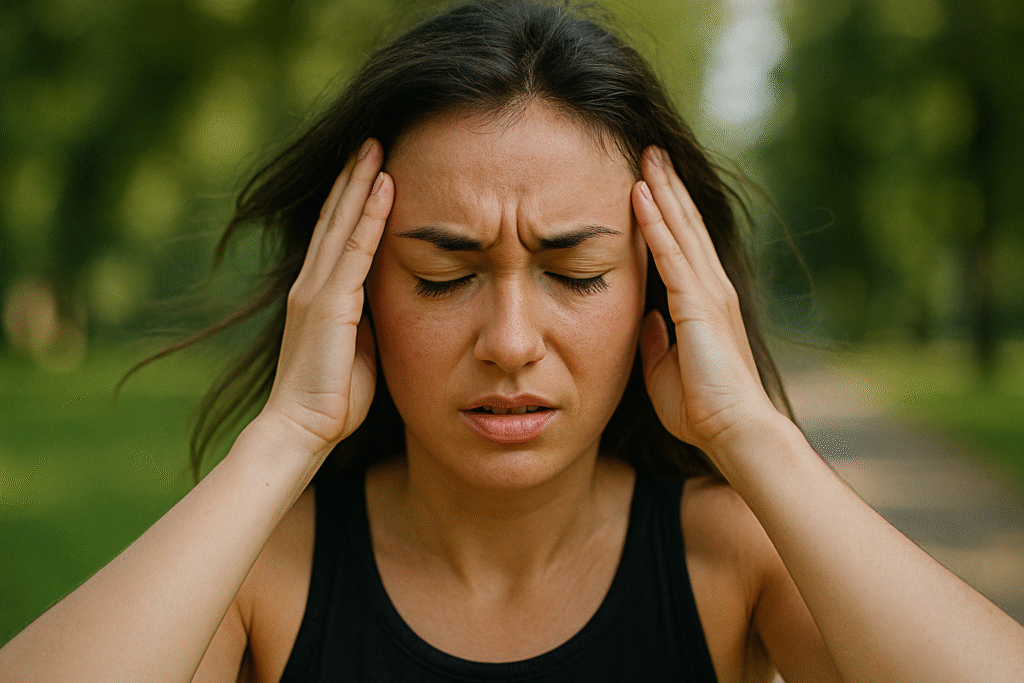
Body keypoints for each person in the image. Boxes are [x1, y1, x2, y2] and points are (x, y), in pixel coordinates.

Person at [2, 1, 1022, 681]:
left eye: (576, 273)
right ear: (349, 291)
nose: (510, 339)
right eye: (441, 275)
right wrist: (285, 432)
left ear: (658, 291)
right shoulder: (267, 571)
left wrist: (748, 428)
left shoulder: (727, 552)